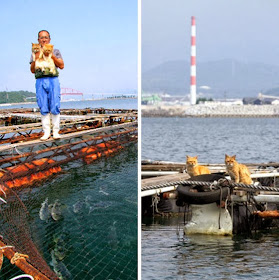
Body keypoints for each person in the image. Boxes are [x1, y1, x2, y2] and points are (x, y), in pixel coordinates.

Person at [30, 30, 64, 140]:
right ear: (38, 40)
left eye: (46, 37)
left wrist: (52, 56)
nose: (44, 39)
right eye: (41, 38)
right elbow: (32, 70)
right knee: (43, 106)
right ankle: (46, 132)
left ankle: (56, 131)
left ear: (49, 39)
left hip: (53, 79)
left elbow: (62, 65)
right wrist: (36, 57)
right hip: (40, 80)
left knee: (55, 105)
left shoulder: (56, 51)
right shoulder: (34, 51)